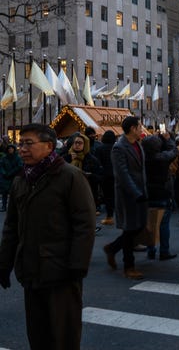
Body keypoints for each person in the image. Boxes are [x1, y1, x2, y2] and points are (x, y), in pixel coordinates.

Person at [0, 124, 96, 350]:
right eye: (20, 143)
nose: (22, 148)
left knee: (63, 337)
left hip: (61, 271)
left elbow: (85, 224)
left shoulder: (70, 176)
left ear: (49, 146)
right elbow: (11, 227)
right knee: (38, 335)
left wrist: (77, 266)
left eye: (28, 143)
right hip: (31, 270)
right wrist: (4, 264)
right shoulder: (21, 179)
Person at [103, 116, 148, 280]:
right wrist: (136, 193)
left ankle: (113, 248)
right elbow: (123, 174)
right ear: (132, 129)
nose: (142, 129)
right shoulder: (119, 147)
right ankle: (129, 266)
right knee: (130, 229)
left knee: (138, 227)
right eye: (139, 126)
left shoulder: (137, 144)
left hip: (140, 191)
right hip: (127, 195)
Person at [142, 131, 178, 261]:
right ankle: (164, 250)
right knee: (164, 224)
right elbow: (174, 151)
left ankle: (151, 250)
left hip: (148, 193)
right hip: (162, 192)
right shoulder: (162, 158)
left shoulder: (142, 158)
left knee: (150, 223)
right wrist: (168, 140)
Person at [95, 130, 117, 225]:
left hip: (105, 175)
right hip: (116, 174)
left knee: (107, 196)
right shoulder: (116, 148)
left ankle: (109, 216)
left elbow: (97, 162)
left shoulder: (100, 148)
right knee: (116, 195)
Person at [0, 144, 22, 212]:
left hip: (14, 177)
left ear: (14, 149)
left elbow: (19, 166)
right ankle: (4, 206)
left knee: (13, 193)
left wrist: (11, 173)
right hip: (5, 178)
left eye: (11, 148)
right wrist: (4, 173)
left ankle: (13, 208)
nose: (10, 150)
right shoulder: (4, 158)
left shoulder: (17, 158)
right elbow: (1, 166)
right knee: (4, 193)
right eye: (9, 149)